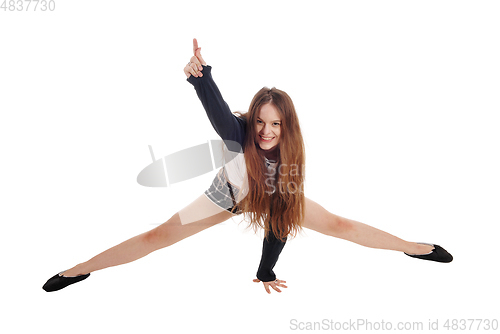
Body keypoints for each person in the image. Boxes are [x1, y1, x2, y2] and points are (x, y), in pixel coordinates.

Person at [42, 39, 453, 294]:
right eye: (260, 120)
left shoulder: (288, 162)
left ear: (286, 125)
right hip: (227, 196)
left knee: (341, 226)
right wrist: (201, 77)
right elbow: (218, 112)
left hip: (272, 197)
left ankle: (415, 247)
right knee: (157, 236)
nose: (267, 131)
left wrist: (265, 269)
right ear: (252, 118)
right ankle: (79, 270)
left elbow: (280, 222)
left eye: (275, 123)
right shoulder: (238, 136)